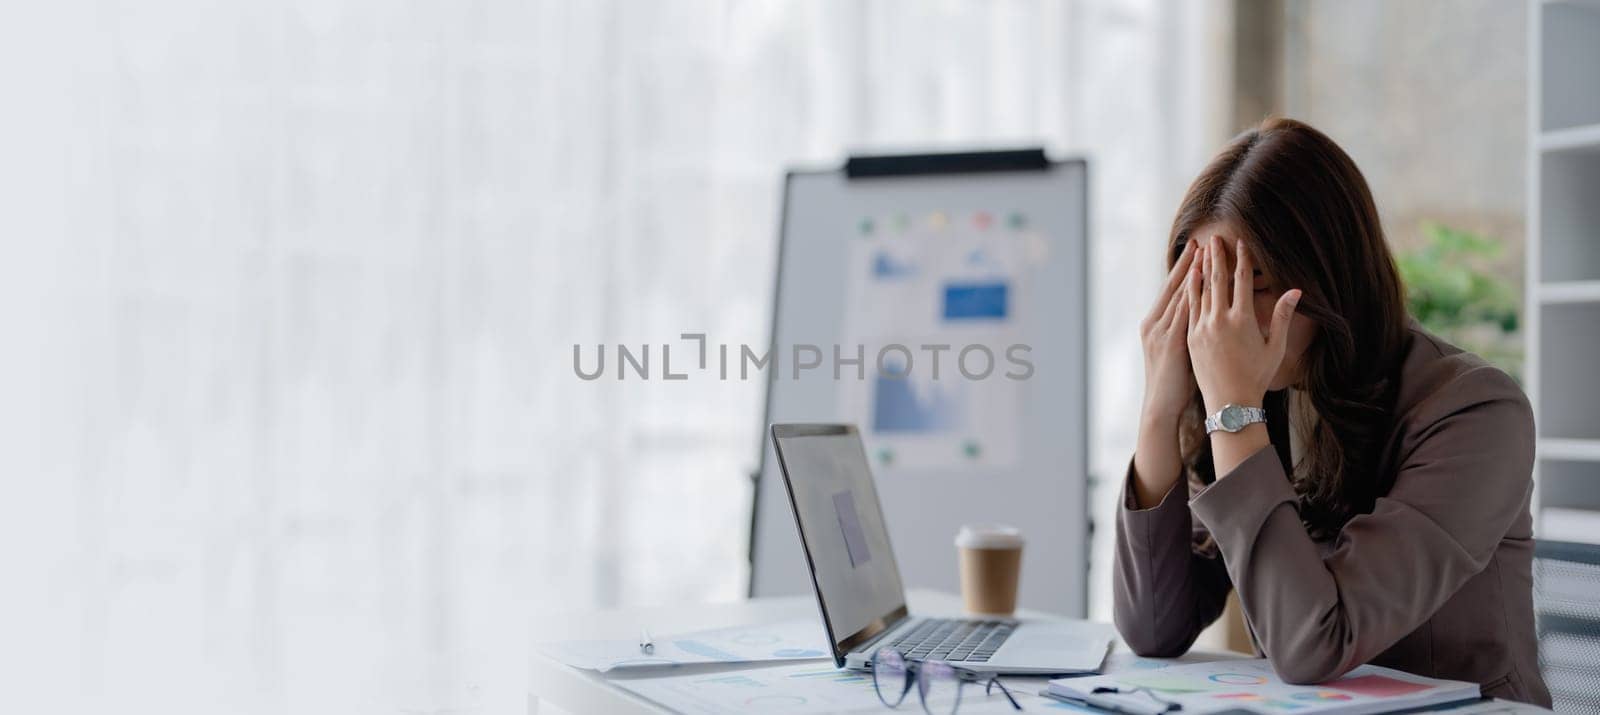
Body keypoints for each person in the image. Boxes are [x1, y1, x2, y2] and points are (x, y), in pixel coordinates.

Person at [1113, 117, 1551, 706]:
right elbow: (1155, 627)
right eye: (1204, 285)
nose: (1220, 319)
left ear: (1330, 273)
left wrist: (1234, 413)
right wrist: (1159, 413)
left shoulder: (1476, 413)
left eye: (1252, 285)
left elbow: (1313, 645)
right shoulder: (1252, 398)